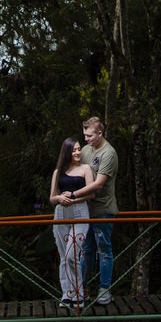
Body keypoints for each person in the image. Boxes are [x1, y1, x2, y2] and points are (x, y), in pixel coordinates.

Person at [65, 116, 118, 305]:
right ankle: (82, 290)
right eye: (84, 135)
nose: (85, 139)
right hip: (85, 210)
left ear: (100, 133)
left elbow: (98, 184)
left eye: (89, 136)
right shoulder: (86, 150)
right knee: (86, 250)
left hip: (103, 209)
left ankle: (104, 290)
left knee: (103, 249)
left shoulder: (108, 153)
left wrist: (73, 195)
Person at [49, 136, 93, 308]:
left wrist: (73, 199)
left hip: (80, 211)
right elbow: (52, 197)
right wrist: (60, 198)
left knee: (71, 255)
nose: (77, 152)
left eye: (79, 149)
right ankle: (67, 294)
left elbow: (91, 194)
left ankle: (79, 294)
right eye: (74, 150)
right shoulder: (58, 172)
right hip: (61, 213)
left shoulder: (85, 169)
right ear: (67, 152)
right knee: (63, 256)